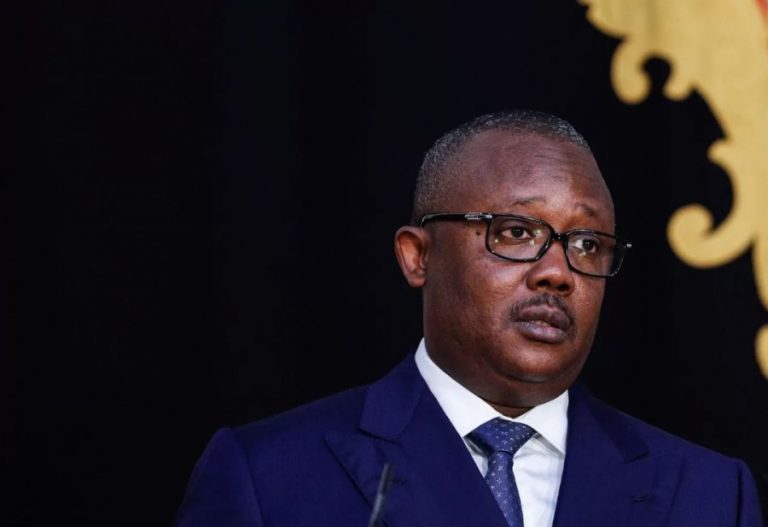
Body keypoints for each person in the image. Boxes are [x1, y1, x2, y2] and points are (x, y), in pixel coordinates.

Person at [174, 111, 763, 526]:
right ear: (418, 256)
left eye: (587, 245)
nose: (557, 272)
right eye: (517, 232)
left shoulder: (710, 494)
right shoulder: (268, 477)